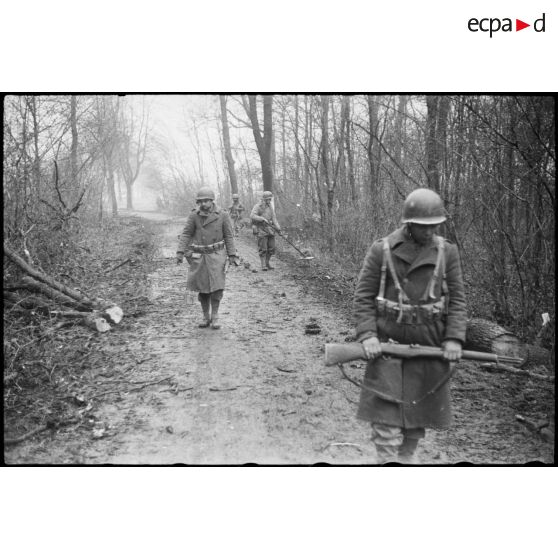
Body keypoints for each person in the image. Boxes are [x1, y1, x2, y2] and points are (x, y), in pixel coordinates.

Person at [352, 188, 467, 464]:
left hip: (428, 347)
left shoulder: (447, 252)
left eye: (434, 226)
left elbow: (458, 300)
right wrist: (367, 335)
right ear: (408, 224)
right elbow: (363, 296)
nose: (429, 232)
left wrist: (454, 339)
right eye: (423, 227)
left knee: (417, 418)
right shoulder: (382, 250)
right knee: (386, 418)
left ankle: (406, 460)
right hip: (387, 347)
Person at [176, 188, 238, 329]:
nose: (203, 204)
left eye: (206, 200)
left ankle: (215, 315)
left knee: (217, 288)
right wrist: (180, 252)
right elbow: (186, 234)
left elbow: (229, 236)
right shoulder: (194, 216)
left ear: (212, 200)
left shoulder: (222, 215)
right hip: (199, 256)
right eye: (201, 201)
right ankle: (205, 315)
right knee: (201, 287)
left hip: (217, 255)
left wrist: (232, 254)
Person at [250, 190, 281, 271]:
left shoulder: (271, 206)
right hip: (261, 229)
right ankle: (263, 265)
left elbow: (274, 218)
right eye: (267, 199)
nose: (268, 201)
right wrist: (261, 218)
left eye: (270, 199)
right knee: (263, 249)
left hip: (270, 230)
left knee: (272, 248)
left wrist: (278, 228)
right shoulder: (258, 206)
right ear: (263, 199)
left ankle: (267, 263)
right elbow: (252, 215)